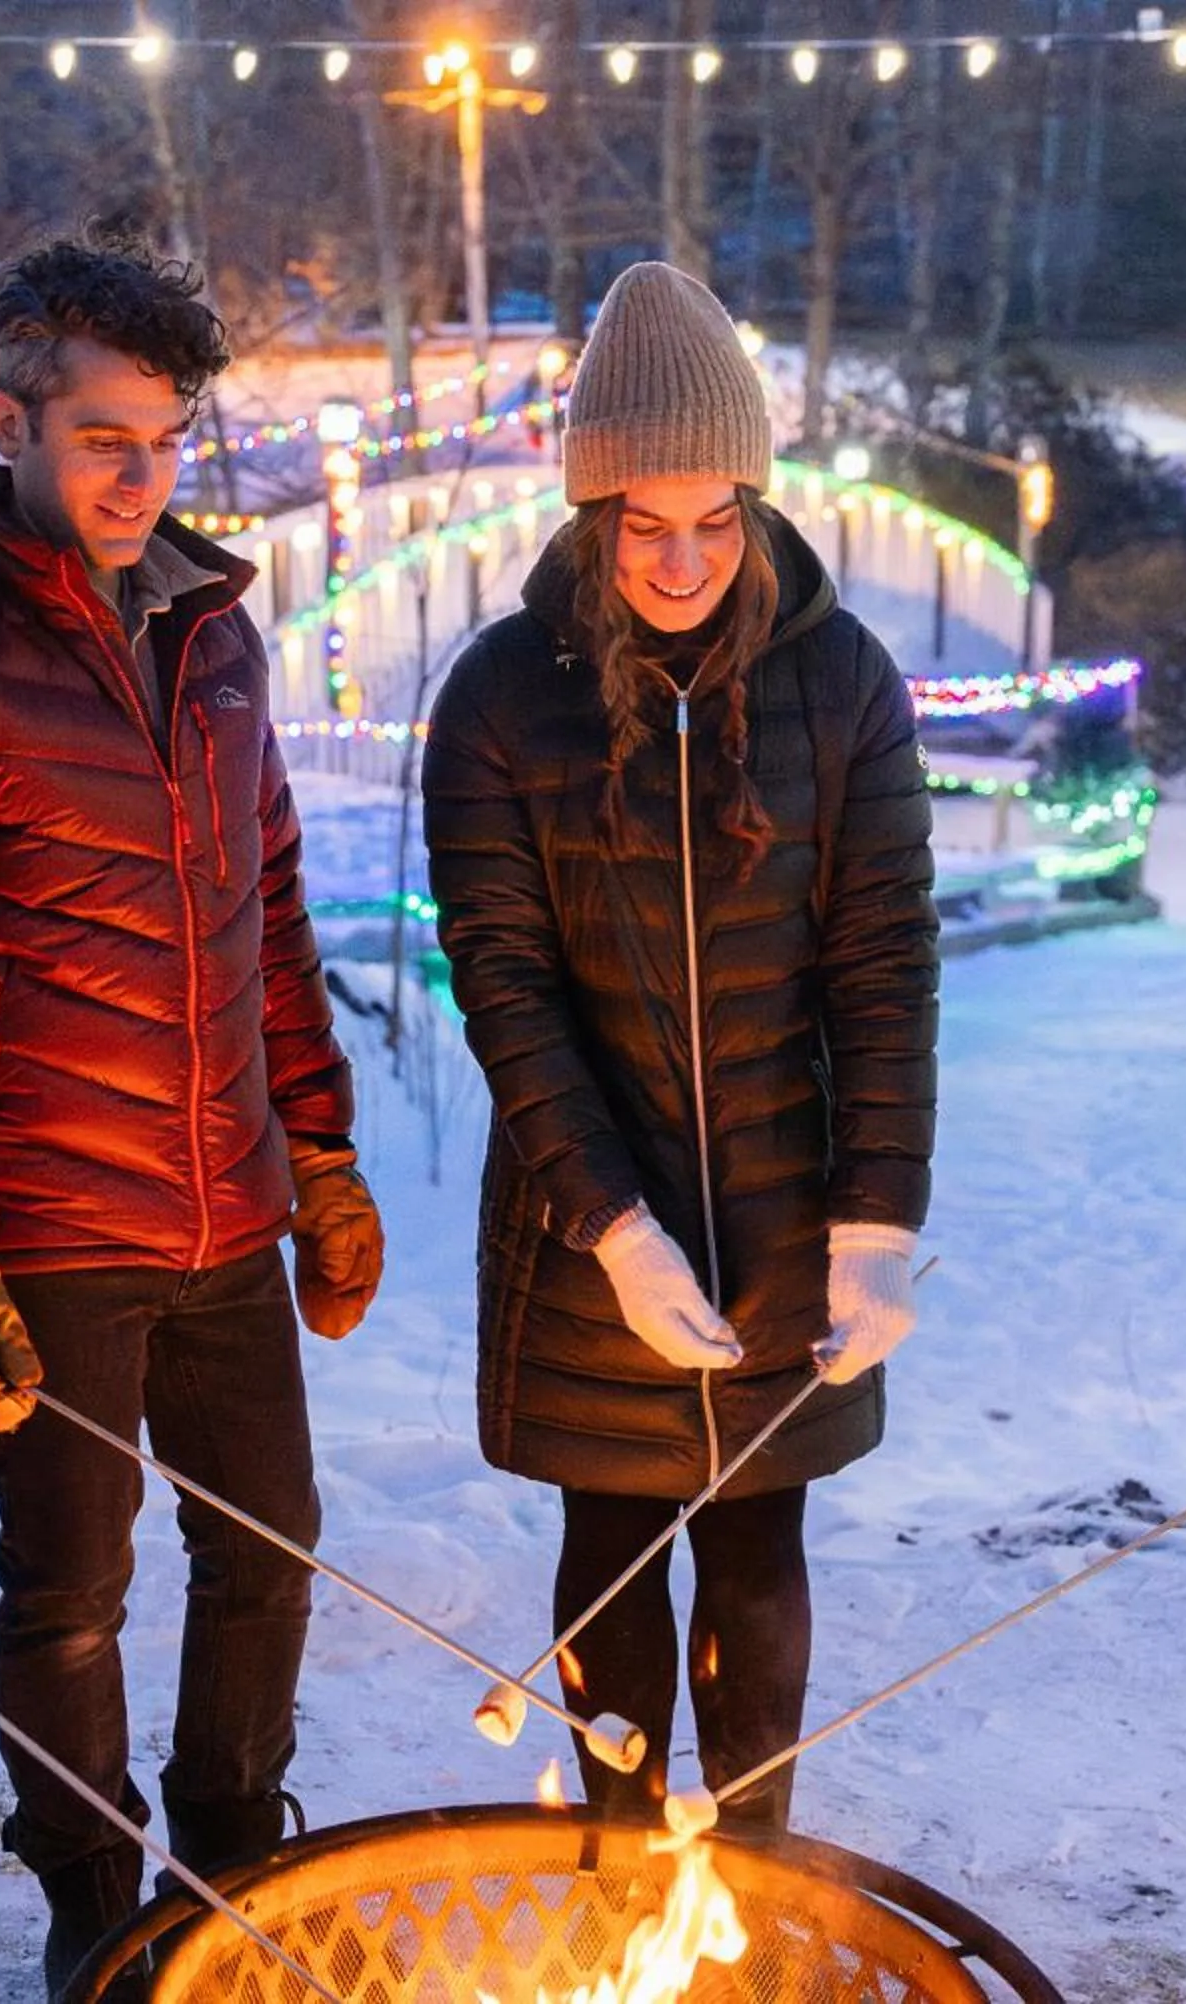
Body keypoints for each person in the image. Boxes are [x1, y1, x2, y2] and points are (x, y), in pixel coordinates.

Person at [0, 226, 381, 1988]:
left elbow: (267, 909)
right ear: (15, 416)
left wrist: (325, 1156)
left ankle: (229, 1856)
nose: (142, 474)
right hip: (44, 1222)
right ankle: (91, 1892)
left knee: (269, 1553)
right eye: (106, 435)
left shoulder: (215, 638)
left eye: (169, 436)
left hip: (227, 1202)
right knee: (70, 1588)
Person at [421, 262, 938, 1833]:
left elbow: (885, 958)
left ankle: (752, 1876)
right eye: (644, 525)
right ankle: (621, 1863)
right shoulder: (506, 701)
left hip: (793, 1201)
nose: (684, 559)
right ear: (590, 517)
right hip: (594, 1213)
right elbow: (503, 981)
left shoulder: (839, 682)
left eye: (716, 520)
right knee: (617, 1532)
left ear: (757, 503)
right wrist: (614, 1228)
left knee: (759, 1537)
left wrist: (879, 1219)